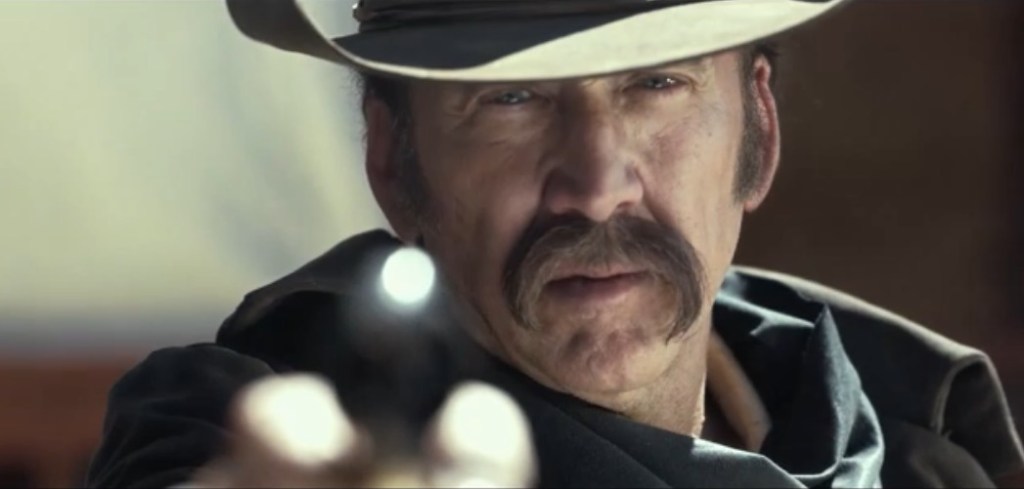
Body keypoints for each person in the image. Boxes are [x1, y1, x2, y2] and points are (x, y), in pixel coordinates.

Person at [86, 0, 1024, 487]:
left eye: (658, 84)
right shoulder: (261, 415)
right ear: (393, 162)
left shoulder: (908, 442)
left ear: (759, 136)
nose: (597, 181)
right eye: (512, 99)